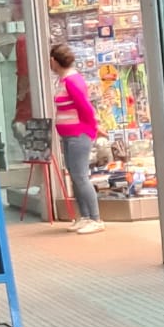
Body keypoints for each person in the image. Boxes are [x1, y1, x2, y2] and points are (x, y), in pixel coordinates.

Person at [51, 44, 103, 234]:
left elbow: (85, 107)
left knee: (80, 176)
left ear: (54, 61)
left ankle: (95, 218)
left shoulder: (72, 81)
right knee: (74, 176)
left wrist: (93, 128)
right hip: (69, 135)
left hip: (78, 134)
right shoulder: (63, 81)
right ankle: (85, 216)